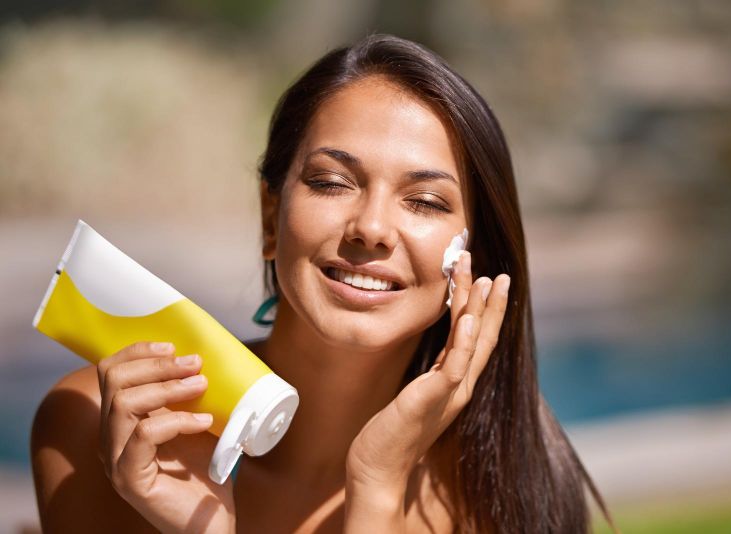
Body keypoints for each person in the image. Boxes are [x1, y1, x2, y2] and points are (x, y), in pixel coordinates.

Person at [30, 34, 611, 533]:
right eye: (332, 181)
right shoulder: (100, 427)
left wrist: (378, 484)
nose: (373, 228)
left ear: (473, 260)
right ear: (269, 219)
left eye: (426, 201)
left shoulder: (507, 485)